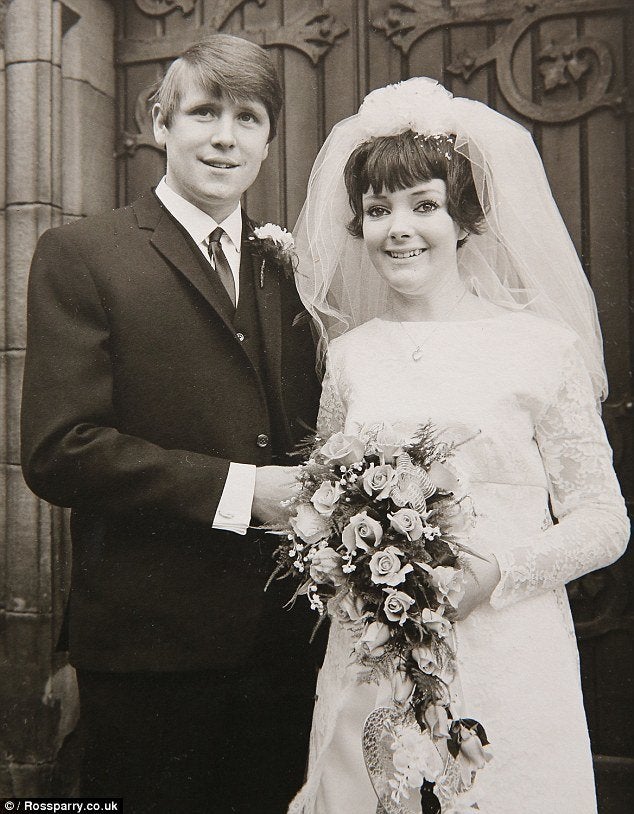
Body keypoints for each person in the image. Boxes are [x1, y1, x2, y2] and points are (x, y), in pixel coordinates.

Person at [289, 77, 630, 813]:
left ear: (465, 217)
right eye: (378, 211)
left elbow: (605, 521)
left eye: (424, 206)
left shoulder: (542, 348)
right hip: (371, 660)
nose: (398, 229)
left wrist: (500, 573)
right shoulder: (353, 356)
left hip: (512, 647)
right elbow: (324, 498)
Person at [21, 35, 320, 814]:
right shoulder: (82, 254)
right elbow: (61, 450)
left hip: (291, 651)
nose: (226, 136)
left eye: (248, 118)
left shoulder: (289, 268)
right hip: (151, 657)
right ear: (160, 123)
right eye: (204, 112)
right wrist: (242, 492)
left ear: (267, 139)